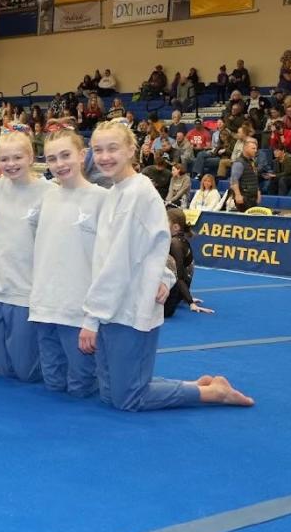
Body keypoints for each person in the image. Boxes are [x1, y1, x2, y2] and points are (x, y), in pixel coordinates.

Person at [78, 120, 254, 411]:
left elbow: (118, 263)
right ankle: (196, 386)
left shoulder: (137, 193)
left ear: (132, 149)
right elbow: (155, 243)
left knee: (127, 399)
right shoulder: (116, 191)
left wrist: (91, 318)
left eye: (113, 148)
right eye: (98, 150)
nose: (105, 156)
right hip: (116, 306)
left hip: (129, 308)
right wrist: (163, 275)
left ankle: (213, 394)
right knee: (110, 394)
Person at [29, 129, 103, 397]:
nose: (59, 164)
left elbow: (122, 251)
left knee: (81, 389)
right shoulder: (46, 197)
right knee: (53, 385)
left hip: (78, 311)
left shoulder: (101, 199)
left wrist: (164, 276)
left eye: (65, 155)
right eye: (52, 158)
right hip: (45, 307)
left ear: (82, 155)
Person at [0, 130, 52, 382]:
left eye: (17, 157)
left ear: (31, 156)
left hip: (24, 290)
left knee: (26, 372)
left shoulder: (49, 193)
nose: (10, 164)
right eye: (4, 159)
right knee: (4, 370)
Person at [165, 208, 213, 318]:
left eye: (164, 221)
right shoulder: (181, 240)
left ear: (175, 227)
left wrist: (190, 302)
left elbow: (180, 276)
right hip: (178, 293)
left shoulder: (175, 243)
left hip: (171, 298)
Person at [229, 137, 260, 212]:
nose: (255, 151)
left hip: (252, 196)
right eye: (253, 148)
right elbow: (234, 180)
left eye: (256, 149)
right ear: (246, 148)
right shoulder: (239, 163)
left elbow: (254, 178)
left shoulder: (252, 162)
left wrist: (258, 192)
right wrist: (238, 195)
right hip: (243, 198)